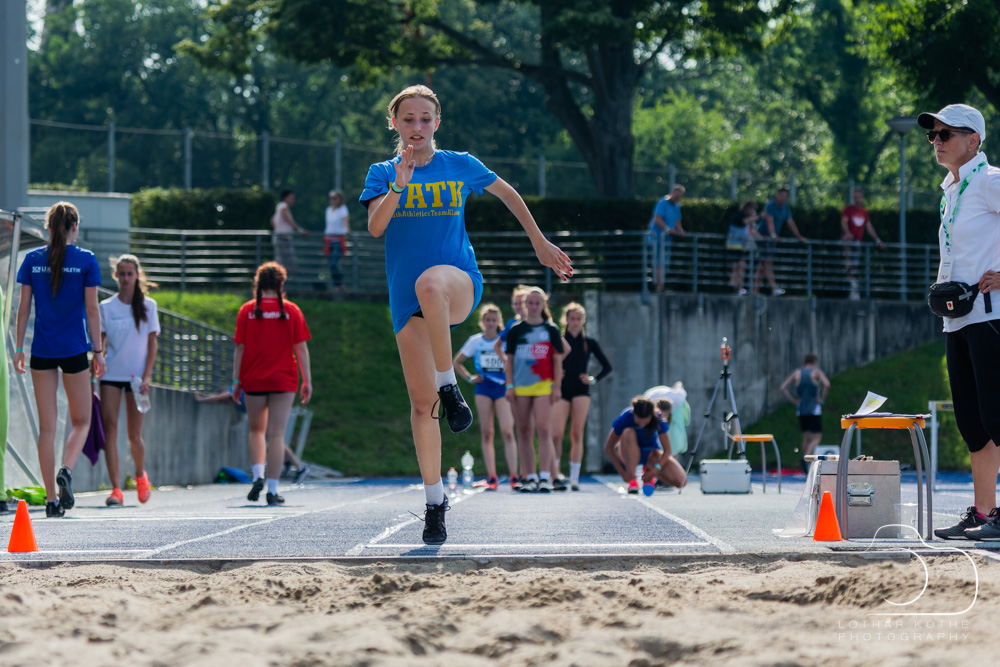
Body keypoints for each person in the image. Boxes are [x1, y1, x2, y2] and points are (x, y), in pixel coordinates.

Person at [360, 85, 572, 544]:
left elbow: (508, 193)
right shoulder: (383, 173)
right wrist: (399, 183)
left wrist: (538, 242)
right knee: (422, 408)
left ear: (437, 122)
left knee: (431, 283)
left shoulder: (460, 164)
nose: (417, 127)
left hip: (456, 284)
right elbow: (376, 227)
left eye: (425, 118)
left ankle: (449, 384)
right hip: (407, 302)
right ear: (394, 123)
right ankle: (435, 503)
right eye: (408, 119)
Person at [914, 104, 1000, 540]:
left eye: (946, 134)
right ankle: (985, 513)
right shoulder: (952, 189)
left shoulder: (990, 181)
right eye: (934, 135)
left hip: (993, 316)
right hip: (959, 320)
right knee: (973, 423)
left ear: (974, 140)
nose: (937, 141)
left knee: (998, 416)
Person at [13, 202, 105, 518]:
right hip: (74, 349)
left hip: (41, 350)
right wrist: (99, 352)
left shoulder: (32, 260)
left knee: (47, 428)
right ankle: (66, 469)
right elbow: (92, 310)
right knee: (82, 421)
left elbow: (23, 309)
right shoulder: (86, 260)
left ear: (49, 228)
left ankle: (51, 501)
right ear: (74, 227)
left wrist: (18, 348)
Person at [231, 262, 313, 506]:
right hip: (283, 379)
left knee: (256, 430)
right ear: (281, 284)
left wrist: (236, 381)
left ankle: (258, 476)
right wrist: (307, 380)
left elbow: (239, 348)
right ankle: (273, 490)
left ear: (257, 284)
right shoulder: (291, 310)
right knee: (276, 435)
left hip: (253, 377)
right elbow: (301, 348)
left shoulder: (247, 310)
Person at [98, 254, 159, 506]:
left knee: (135, 435)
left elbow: (152, 343)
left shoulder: (149, 306)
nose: (125, 278)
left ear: (137, 275)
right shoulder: (106, 307)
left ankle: (140, 476)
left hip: (137, 379)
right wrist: (96, 362)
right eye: (121, 274)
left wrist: (147, 376)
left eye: (129, 274)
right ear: (116, 276)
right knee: (110, 430)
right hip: (111, 375)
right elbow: (101, 342)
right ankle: (116, 490)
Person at [505, 287, 565, 493]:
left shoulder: (551, 330)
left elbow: (557, 361)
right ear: (525, 305)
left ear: (543, 305)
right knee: (523, 430)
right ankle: (530, 477)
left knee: (544, 429)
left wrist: (557, 387)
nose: (532, 306)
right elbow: (509, 360)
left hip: (543, 386)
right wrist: (509, 385)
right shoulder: (516, 330)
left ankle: (545, 477)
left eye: (537, 303)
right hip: (520, 386)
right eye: (529, 303)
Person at [453, 303, 517, 491]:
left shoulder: (504, 341)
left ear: (498, 322)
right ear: (482, 321)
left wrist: (511, 380)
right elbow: (456, 362)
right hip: (483, 389)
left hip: (502, 389)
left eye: (494, 320)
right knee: (487, 432)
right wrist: (470, 378)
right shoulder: (475, 341)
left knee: (507, 430)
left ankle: (514, 476)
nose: (490, 323)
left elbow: (514, 362)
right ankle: (492, 477)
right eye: (487, 320)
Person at [551, 302, 612, 491]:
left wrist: (593, 379)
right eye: (572, 318)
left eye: (578, 319)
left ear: (583, 320)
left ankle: (574, 478)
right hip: (561, 389)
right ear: (566, 320)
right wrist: (554, 374)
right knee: (556, 434)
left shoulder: (589, 342)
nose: (575, 322)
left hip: (580, 391)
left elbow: (607, 366)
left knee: (577, 433)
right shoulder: (560, 340)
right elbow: (549, 361)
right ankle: (555, 474)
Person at [195, 388, 309, 483]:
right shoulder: (235, 401)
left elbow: (222, 396)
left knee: (274, 440)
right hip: (264, 412)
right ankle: (288, 461)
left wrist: (202, 399)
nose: (225, 403)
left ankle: (299, 467)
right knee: (270, 442)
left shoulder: (233, 391)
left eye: (223, 401)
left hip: (268, 411)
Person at [603, 396, 686, 494]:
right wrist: (622, 472)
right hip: (629, 452)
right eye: (639, 420)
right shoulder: (626, 417)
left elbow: (667, 451)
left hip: (650, 454)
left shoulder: (658, 417)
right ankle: (632, 479)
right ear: (634, 413)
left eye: (645, 420)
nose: (642, 424)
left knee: (682, 481)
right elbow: (609, 447)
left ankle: (648, 474)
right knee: (628, 432)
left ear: (651, 415)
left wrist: (655, 470)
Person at [779, 353, 831, 472]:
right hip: (814, 408)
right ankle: (806, 458)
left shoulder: (797, 373)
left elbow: (783, 388)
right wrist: (822, 399)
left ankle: (804, 461)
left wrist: (794, 401)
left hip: (801, 409)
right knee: (816, 437)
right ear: (814, 362)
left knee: (806, 436)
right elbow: (827, 384)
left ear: (804, 362)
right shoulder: (816, 372)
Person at [754, 187, 807, 296]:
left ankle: (755, 292)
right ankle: (774, 288)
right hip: (763, 238)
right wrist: (773, 235)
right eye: (781, 195)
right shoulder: (770, 206)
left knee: (762, 266)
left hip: (770, 240)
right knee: (767, 262)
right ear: (777, 195)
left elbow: (790, 222)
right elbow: (769, 221)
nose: (783, 198)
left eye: (785, 196)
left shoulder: (786, 208)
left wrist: (798, 236)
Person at [840, 188, 884, 298]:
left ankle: (852, 288)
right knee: (848, 243)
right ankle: (848, 263)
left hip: (857, 242)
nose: (857, 199)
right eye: (855, 197)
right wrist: (848, 233)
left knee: (854, 266)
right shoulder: (848, 209)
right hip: (849, 240)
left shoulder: (863, 212)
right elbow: (844, 222)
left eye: (859, 197)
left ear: (862, 198)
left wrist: (878, 240)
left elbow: (869, 227)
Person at [647, 185, 686, 292]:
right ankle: (659, 286)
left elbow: (678, 221)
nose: (677, 198)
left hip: (667, 241)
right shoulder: (662, 203)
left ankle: (661, 285)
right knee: (658, 263)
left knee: (665, 263)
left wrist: (680, 230)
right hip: (657, 239)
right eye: (676, 195)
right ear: (672, 192)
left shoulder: (676, 206)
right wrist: (668, 229)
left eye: (679, 196)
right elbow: (657, 219)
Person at [726, 201, 765, 295]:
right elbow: (744, 221)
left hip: (741, 247)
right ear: (747, 208)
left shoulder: (747, 219)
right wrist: (759, 216)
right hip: (734, 246)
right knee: (740, 267)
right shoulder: (739, 215)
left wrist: (763, 238)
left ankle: (736, 288)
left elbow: (752, 231)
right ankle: (738, 288)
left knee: (738, 268)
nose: (753, 212)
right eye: (752, 210)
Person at [271, 189, 308, 277]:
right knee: (288, 265)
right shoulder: (283, 206)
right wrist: (300, 230)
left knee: (283, 264)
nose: (293, 200)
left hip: (282, 239)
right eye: (291, 198)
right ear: (286, 198)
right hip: (282, 239)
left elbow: (272, 220)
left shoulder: (279, 206)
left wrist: (278, 228)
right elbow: (288, 219)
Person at [324, 190, 350, 292]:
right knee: (331, 264)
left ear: (340, 199)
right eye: (331, 198)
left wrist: (347, 231)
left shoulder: (343, 209)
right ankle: (337, 286)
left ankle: (340, 284)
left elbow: (346, 223)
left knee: (333, 263)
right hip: (328, 240)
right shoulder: (328, 210)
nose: (332, 200)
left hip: (338, 240)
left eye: (334, 198)